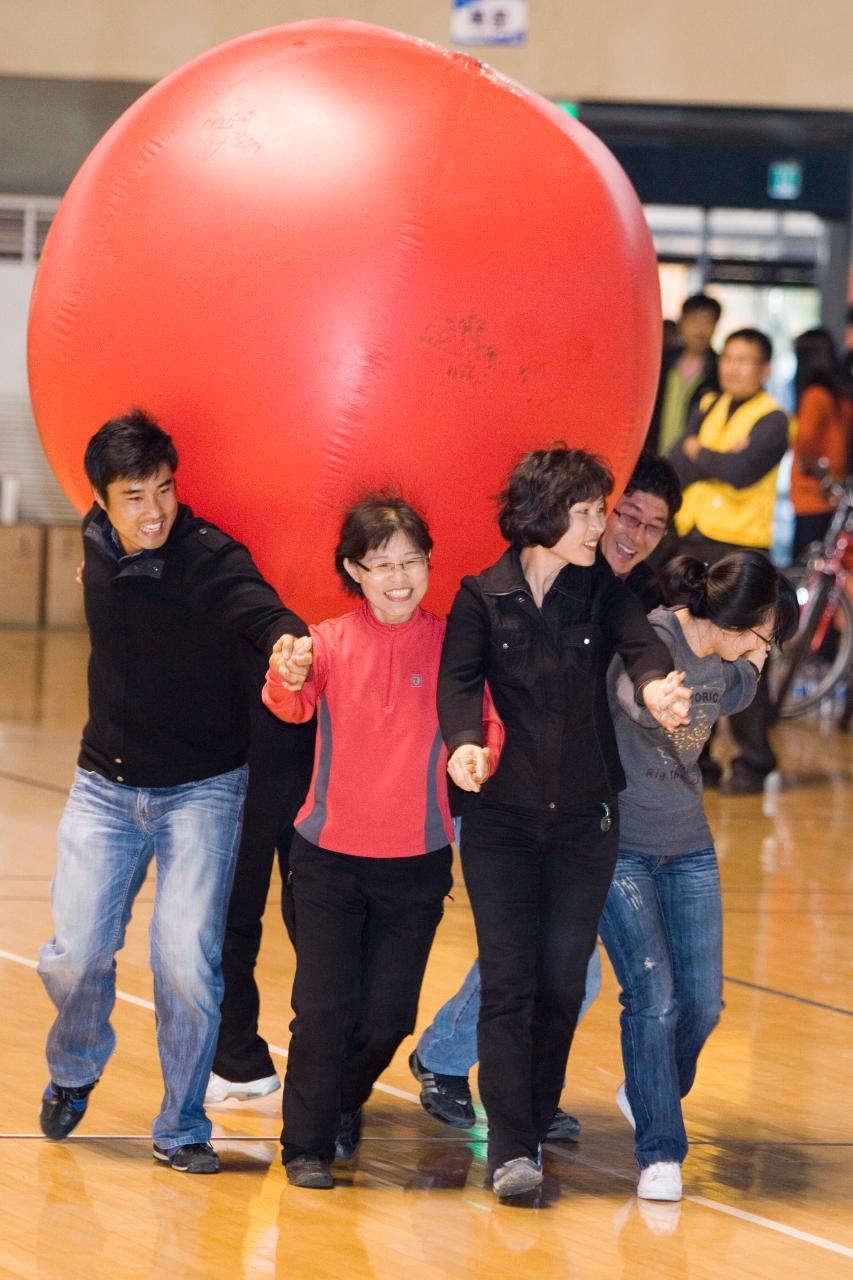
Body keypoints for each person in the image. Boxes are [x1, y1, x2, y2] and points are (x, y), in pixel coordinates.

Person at [37, 410, 308, 1174]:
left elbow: (265, 611)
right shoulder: (91, 541)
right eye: (133, 496)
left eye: (162, 489)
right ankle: (76, 1063)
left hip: (205, 792)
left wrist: (288, 644)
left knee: (188, 963)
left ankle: (183, 1123)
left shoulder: (209, 556)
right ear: (101, 501)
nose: (153, 510)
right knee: (73, 955)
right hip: (103, 788)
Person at [436, 447, 691, 1199]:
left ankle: (533, 1114)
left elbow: (643, 650)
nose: (598, 526)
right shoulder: (481, 597)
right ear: (545, 516)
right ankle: (512, 1150)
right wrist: (462, 748)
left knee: (556, 983)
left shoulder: (602, 593)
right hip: (500, 823)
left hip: (586, 820)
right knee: (509, 980)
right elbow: (456, 687)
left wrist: (657, 691)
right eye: (586, 513)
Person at [261, 495, 503, 1190]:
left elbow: (484, 720)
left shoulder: (454, 641)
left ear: (430, 563)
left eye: (411, 562)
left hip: (416, 863)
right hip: (327, 858)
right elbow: (290, 702)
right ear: (354, 572)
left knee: (389, 1016)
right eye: (381, 565)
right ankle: (305, 1146)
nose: (399, 579)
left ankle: (341, 1101)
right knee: (324, 1009)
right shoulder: (328, 640)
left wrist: (478, 754)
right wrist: (288, 673)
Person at [600, 552, 798, 1202]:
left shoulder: (733, 669)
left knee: (704, 1003)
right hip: (618, 843)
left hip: (687, 845)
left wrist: (756, 663)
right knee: (653, 999)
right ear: (747, 617)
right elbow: (630, 691)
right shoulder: (652, 638)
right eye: (769, 634)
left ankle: (645, 1092)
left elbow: (738, 687)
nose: (766, 650)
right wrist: (656, 697)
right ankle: (660, 1150)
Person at [669, 328, 790, 795]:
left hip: (740, 548)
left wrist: (705, 455)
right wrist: (707, 458)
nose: (734, 367)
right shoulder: (708, 405)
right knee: (691, 652)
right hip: (694, 542)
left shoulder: (774, 419)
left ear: (764, 369)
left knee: (745, 654)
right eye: (730, 358)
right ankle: (698, 757)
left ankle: (753, 758)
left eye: (746, 360)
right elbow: (679, 461)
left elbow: (743, 473)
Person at [204, 646, 315, 1104]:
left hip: (301, 738)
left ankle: (302, 1064)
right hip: (253, 740)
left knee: (318, 919)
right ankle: (240, 1059)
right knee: (237, 914)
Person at [789, 328, 851, 560]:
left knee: (807, 570)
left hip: (811, 494)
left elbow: (804, 442)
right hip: (831, 496)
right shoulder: (838, 396)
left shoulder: (814, 395)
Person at [646, 294, 722, 457]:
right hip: (654, 457)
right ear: (681, 322)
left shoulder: (720, 372)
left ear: (716, 325)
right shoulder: (660, 363)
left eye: (707, 321)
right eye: (694, 320)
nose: (700, 329)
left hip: (696, 463)